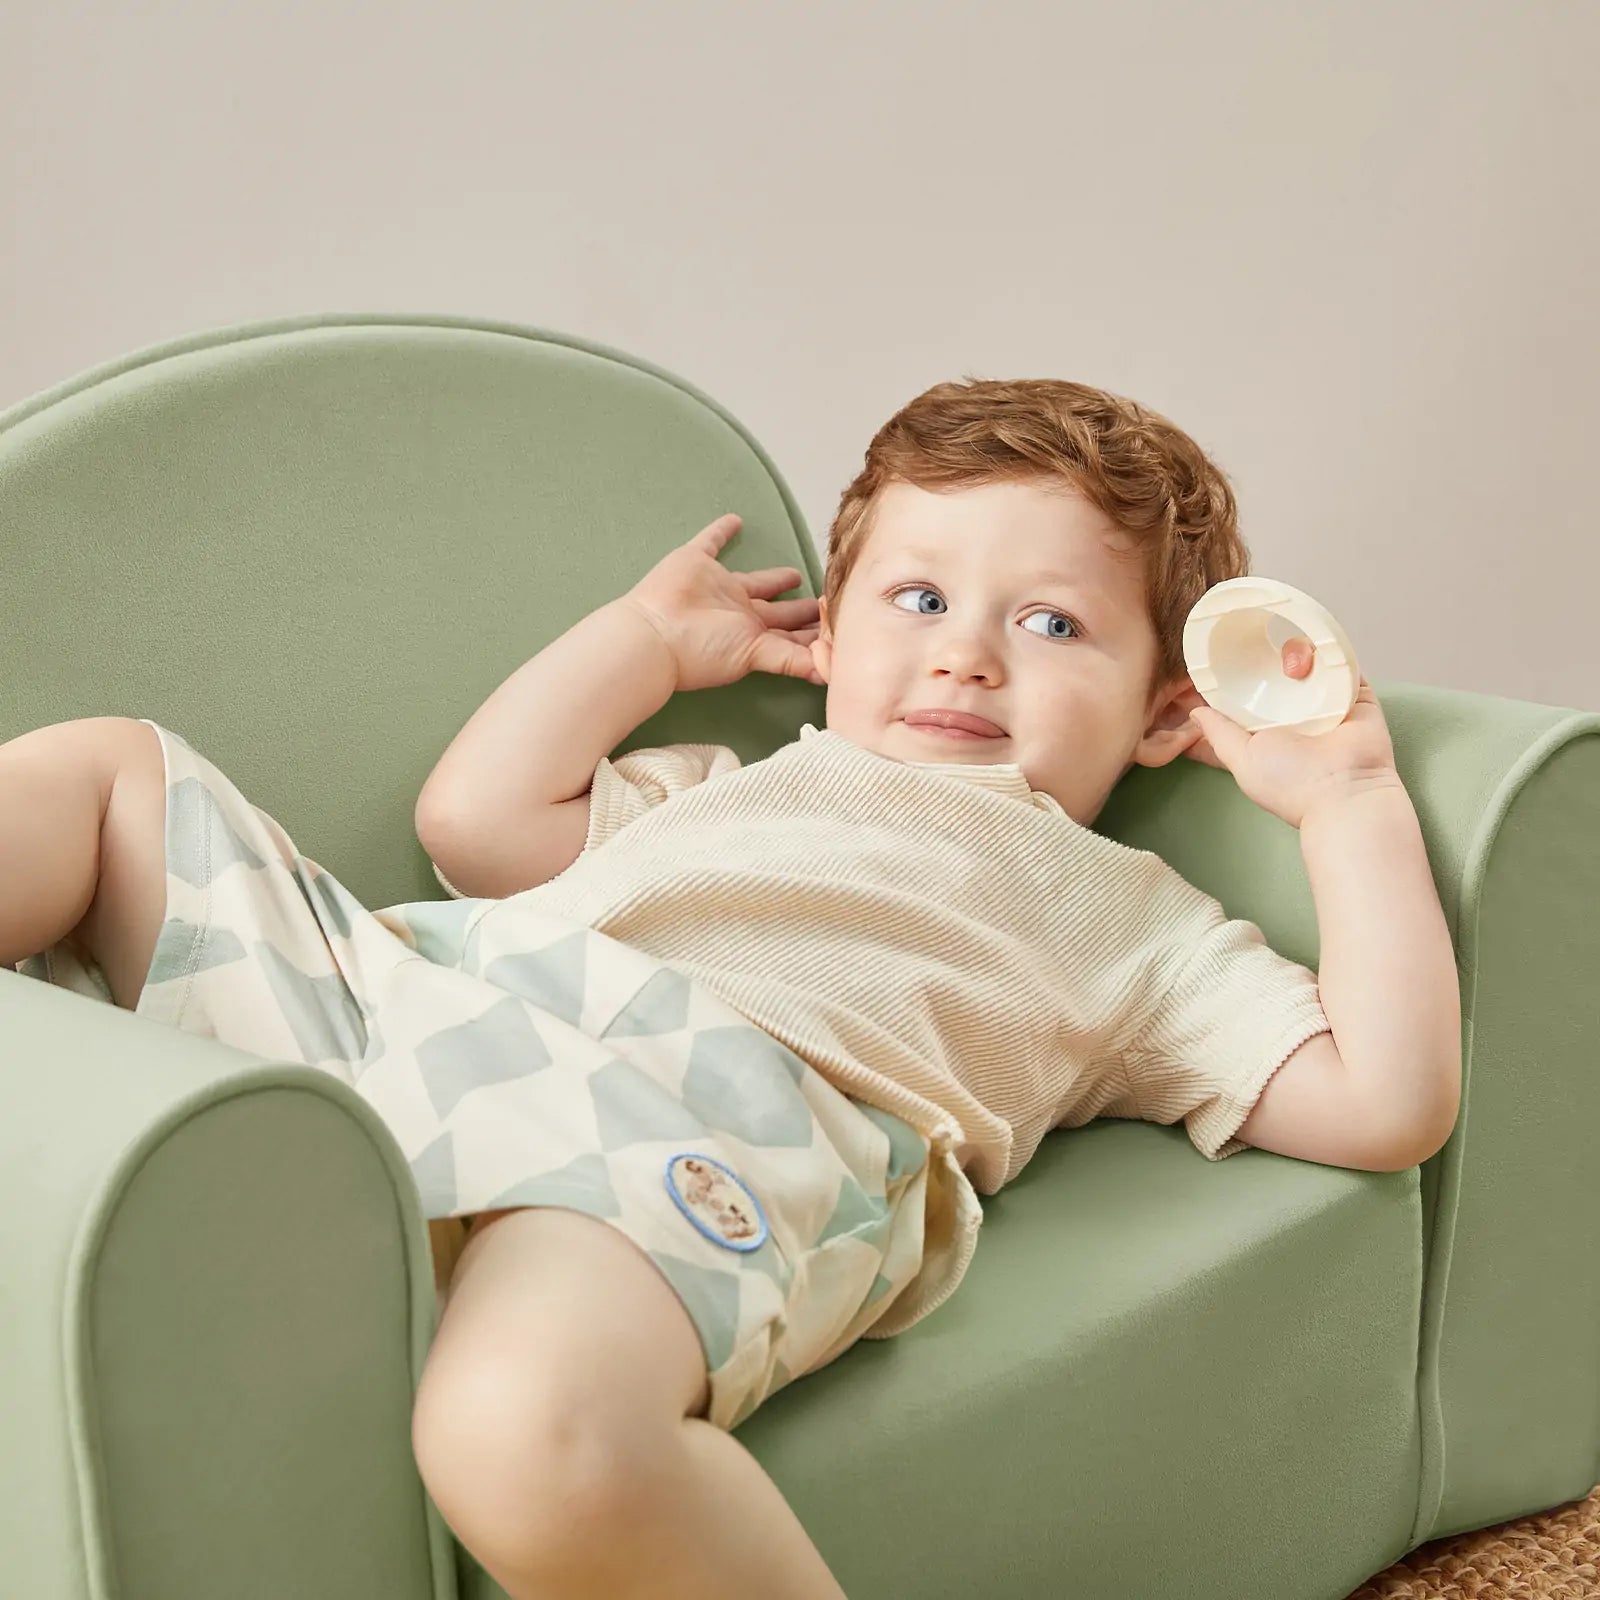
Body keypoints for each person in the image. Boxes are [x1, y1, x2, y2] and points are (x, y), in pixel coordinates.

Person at [1, 375, 1461, 1600]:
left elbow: (1384, 1101)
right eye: (921, 596)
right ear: (830, 633)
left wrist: (1349, 805)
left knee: (528, 1429)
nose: (964, 649)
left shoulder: (1132, 924)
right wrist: (645, 645)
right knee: (116, 772)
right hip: (423, 1000)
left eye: (1052, 624)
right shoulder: (728, 781)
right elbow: (475, 825)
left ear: (1164, 711)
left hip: (699, 1119)